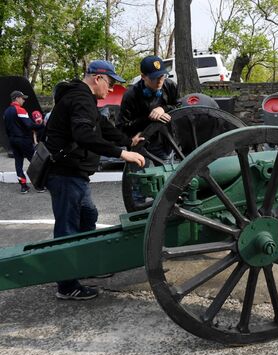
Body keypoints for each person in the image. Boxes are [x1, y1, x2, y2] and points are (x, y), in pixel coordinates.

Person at [44, 60, 145, 300]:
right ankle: (67, 286)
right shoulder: (80, 99)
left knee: (88, 216)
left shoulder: (84, 98)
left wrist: (128, 141)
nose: (111, 90)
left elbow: (102, 127)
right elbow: (84, 134)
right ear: (98, 78)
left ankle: (86, 264)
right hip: (66, 175)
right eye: (109, 83)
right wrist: (122, 153)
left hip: (75, 175)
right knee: (67, 230)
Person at [116, 55, 180, 160]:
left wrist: (164, 108)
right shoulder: (131, 95)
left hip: (169, 140)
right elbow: (122, 126)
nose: (159, 81)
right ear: (143, 76)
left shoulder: (170, 86)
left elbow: (179, 106)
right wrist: (148, 118)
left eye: (162, 76)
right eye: (154, 78)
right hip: (143, 145)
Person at [3, 91, 45, 193]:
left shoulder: (6, 111)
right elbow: (29, 125)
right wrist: (42, 126)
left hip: (13, 140)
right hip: (23, 140)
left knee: (18, 163)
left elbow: (7, 129)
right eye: (22, 98)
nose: (24, 100)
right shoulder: (20, 109)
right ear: (17, 98)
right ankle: (39, 185)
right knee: (35, 162)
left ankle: (23, 186)